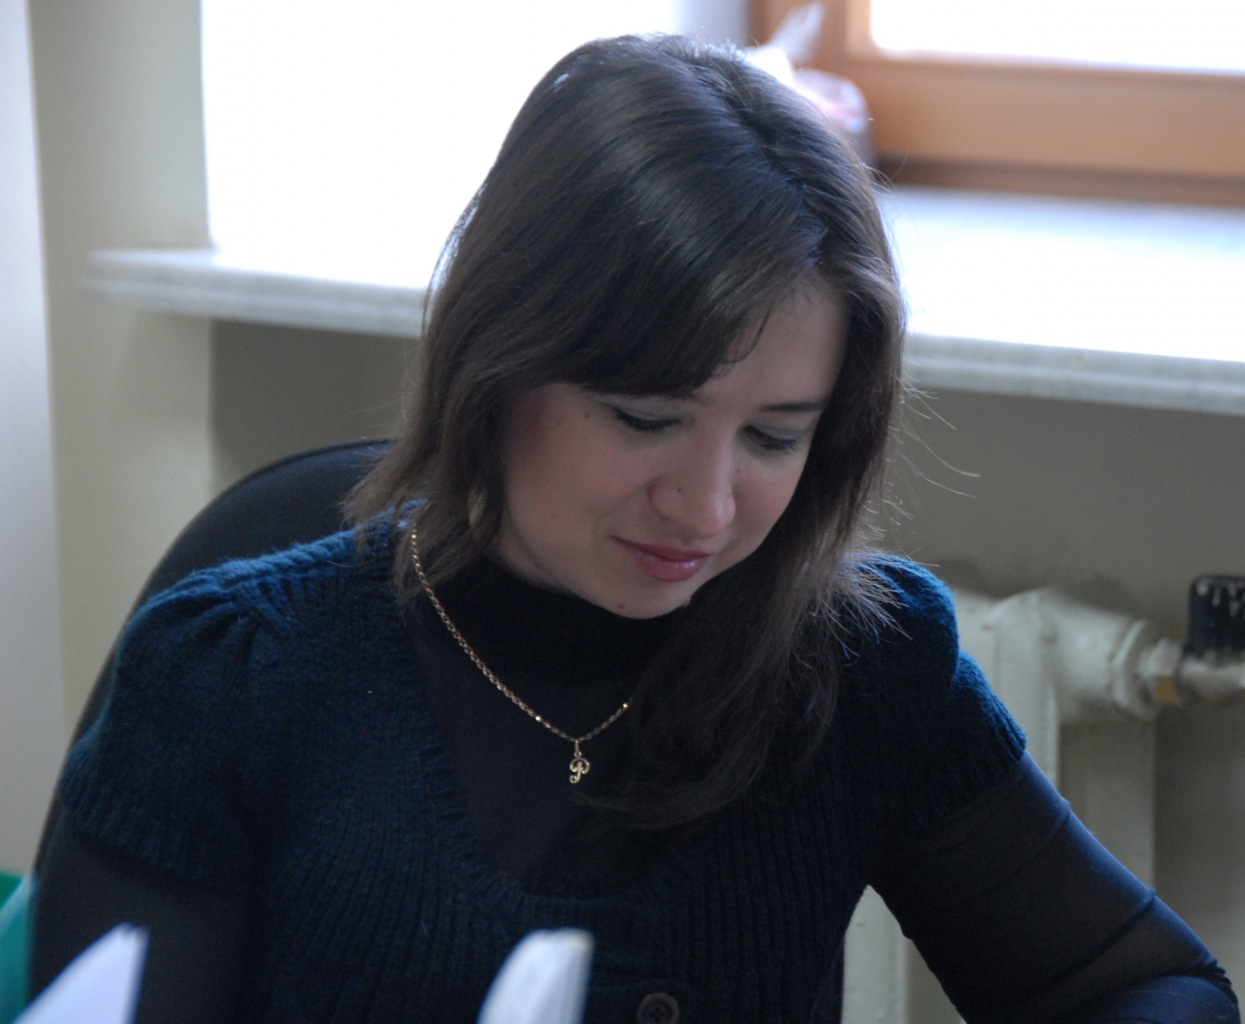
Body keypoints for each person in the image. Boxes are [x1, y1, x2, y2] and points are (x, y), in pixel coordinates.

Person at [31, 33, 1237, 1024]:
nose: (705, 508)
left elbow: (1152, 986)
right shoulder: (229, 683)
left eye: (774, 437)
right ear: (499, 364)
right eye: (645, 419)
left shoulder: (858, 667)